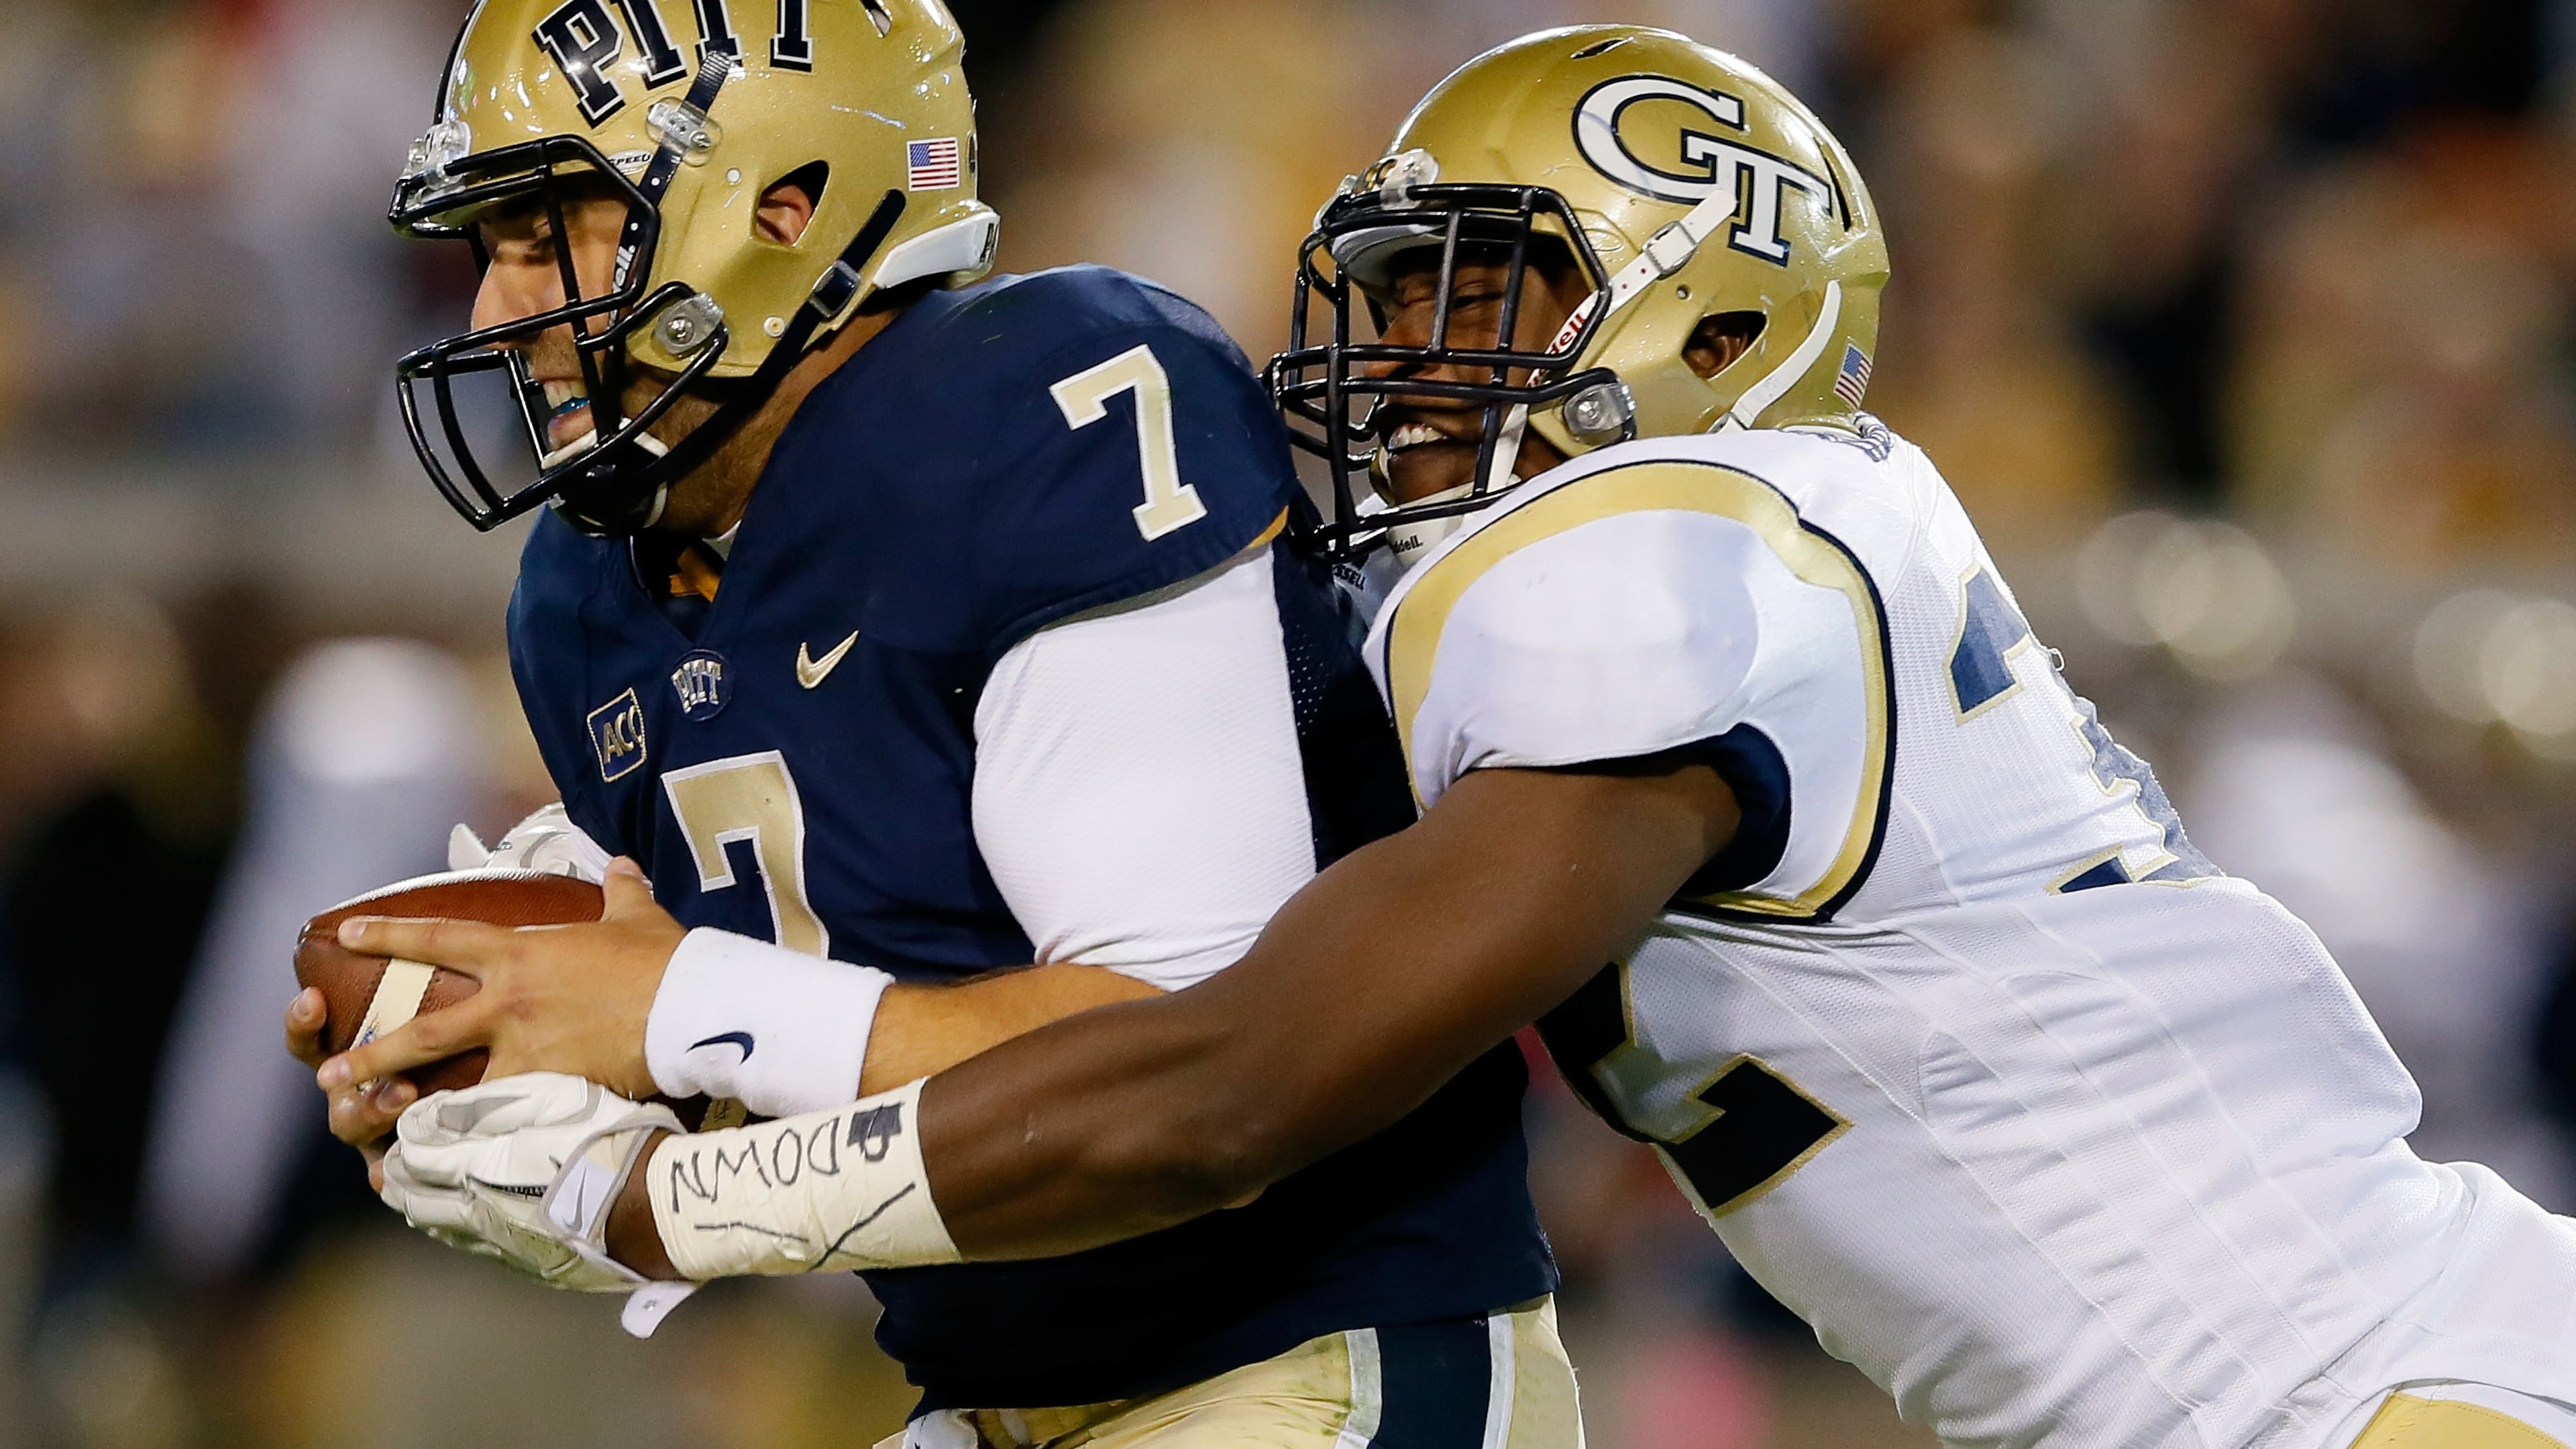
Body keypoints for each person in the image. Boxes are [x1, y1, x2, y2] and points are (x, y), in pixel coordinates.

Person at [331, 24, 2576, 1449]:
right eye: (1389, 298)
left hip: (2364, 1392)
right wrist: (600, 951)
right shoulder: (1644, 582)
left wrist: (663, 1169)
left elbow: (1228, 1080)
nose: (1400, 361)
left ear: (1710, 310)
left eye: (1480, 302)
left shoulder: (1674, 540)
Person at [291, 2, 1577, 1444]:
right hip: (984, 1395)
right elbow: (841, 1047)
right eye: (491, 251)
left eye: (552, 235)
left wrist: (673, 1032)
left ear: (781, 204)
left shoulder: (1048, 404)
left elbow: (1187, 1052)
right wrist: (551, 1097)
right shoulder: (585, 590)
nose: (495, 315)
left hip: (1303, 1357)